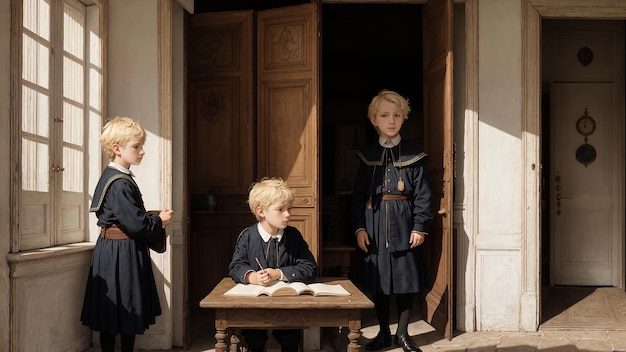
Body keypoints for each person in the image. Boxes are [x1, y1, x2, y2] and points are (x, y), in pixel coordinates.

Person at [81, 116, 174, 352]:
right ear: (117, 149)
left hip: (112, 251)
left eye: (141, 146)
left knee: (114, 316)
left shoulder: (113, 177)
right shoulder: (119, 182)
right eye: (136, 146)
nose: (142, 151)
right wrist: (159, 220)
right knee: (122, 313)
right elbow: (137, 225)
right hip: (120, 253)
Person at [351, 90, 433, 352]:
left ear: (404, 118)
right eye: (385, 115)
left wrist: (420, 226)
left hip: (405, 223)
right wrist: (360, 228)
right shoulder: (367, 156)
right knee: (380, 281)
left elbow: (423, 194)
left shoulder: (414, 155)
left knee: (405, 280)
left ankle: (403, 334)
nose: (391, 120)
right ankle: (384, 333)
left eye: (397, 115)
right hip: (374, 224)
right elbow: (358, 197)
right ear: (374, 120)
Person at [229, 177, 317, 352]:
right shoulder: (247, 237)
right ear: (261, 212)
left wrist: (278, 274)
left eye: (289, 209)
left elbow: (310, 267)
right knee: (254, 339)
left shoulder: (293, 236)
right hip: (254, 305)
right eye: (281, 209)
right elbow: (236, 266)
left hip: (288, 305)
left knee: (291, 339)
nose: (288, 214)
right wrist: (251, 276)